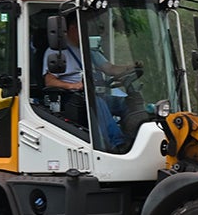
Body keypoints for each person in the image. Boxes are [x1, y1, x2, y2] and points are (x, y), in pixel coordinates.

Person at [43, 20, 133, 148]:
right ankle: (117, 144)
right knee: (97, 103)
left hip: (93, 93)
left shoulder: (87, 50)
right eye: (84, 28)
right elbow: (49, 81)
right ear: (73, 28)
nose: (87, 32)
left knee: (126, 103)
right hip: (71, 97)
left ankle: (132, 140)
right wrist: (73, 86)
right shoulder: (56, 52)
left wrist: (130, 68)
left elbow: (109, 69)